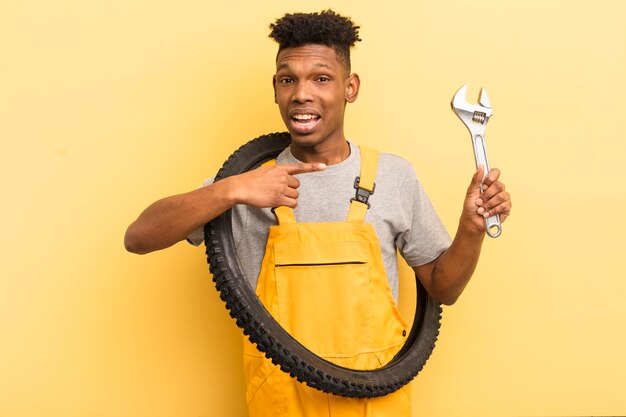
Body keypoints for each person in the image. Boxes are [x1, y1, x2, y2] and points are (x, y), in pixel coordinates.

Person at [124, 9, 512, 417]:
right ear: (275, 88)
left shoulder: (394, 176)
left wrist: (471, 230)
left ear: (350, 87)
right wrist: (233, 189)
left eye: (321, 78)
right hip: (281, 400)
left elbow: (443, 288)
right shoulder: (248, 181)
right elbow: (139, 237)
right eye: (288, 79)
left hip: (376, 401)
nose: (302, 94)